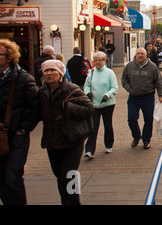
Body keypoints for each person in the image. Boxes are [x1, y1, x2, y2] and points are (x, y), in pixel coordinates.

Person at [38, 59, 94, 205]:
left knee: (69, 175)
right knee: (60, 178)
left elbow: (89, 109)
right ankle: (66, 202)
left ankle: (74, 203)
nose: (49, 73)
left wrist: (66, 106)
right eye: (46, 71)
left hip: (72, 140)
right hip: (52, 142)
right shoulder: (42, 92)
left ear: (61, 73)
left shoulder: (72, 89)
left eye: (53, 71)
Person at [0, 39, 40, 205]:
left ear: (9, 57)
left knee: (13, 177)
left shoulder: (23, 78)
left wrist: (23, 129)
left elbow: (35, 107)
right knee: (1, 179)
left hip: (17, 136)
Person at [121, 48, 162, 150]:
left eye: (142, 54)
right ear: (135, 55)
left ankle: (146, 140)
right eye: (138, 53)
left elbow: (159, 82)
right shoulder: (129, 66)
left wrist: (160, 95)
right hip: (133, 96)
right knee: (131, 118)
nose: (140, 55)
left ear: (146, 55)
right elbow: (124, 79)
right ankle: (136, 136)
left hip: (147, 97)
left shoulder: (152, 67)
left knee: (148, 119)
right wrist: (129, 89)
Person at [83, 52, 118, 158]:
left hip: (107, 103)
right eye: (96, 60)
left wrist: (108, 95)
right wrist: (87, 92)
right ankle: (89, 150)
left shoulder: (109, 73)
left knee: (107, 125)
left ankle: (109, 145)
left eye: (100, 60)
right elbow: (86, 86)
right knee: (93, 126)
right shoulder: (91, 72)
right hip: (94, 104)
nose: (97, 62)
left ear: (104, 60)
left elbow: (114, 87)